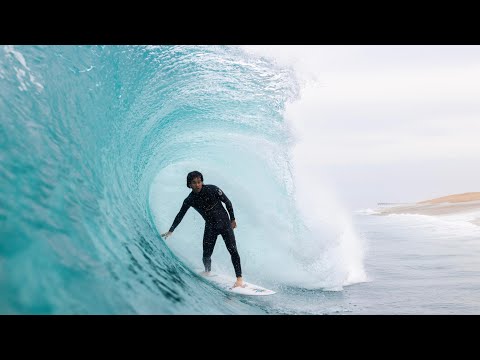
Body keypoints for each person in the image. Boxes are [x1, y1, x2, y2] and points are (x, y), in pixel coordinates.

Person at [161, 171, 245, 288]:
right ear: (189, 184)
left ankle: (239, 279)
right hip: (211, 226)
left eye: (199, 182)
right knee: (206, 255)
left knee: (232, 250)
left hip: (224, 223)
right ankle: (207, 271)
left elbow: (227, 202)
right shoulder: (189, 199)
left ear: (202, 182)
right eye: (194, 183)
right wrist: (171, 230)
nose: (197, 185)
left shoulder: (213, 189)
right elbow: (180, 214)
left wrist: (232, 219)